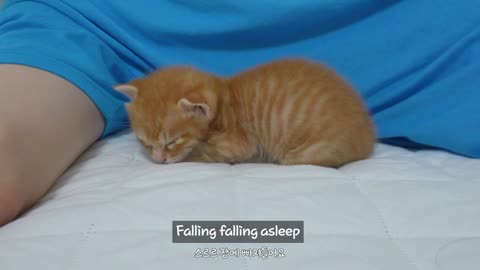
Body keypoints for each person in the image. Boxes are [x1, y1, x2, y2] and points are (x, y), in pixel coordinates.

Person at [1, 0, 479, 226]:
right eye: (148, 146)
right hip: (91, 28)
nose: (159, 158)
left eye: (164, 146)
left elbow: (240, 142)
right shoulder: (75, 22)